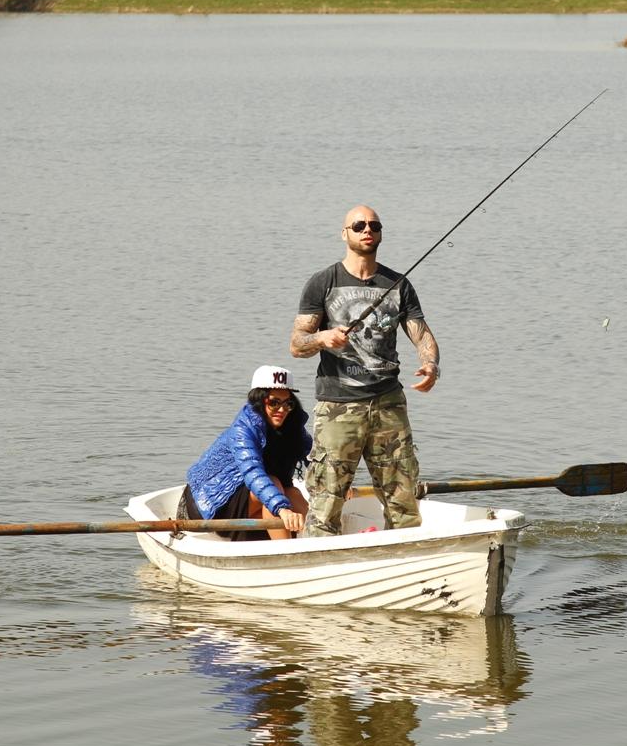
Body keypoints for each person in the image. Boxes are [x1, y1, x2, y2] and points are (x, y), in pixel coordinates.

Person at [290, 205, 439, 537]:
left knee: (403, 504)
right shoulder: (323, 282)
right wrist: (323, 337)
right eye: (358, 225)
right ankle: (320, 569)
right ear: (345, 234)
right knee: (326, 503)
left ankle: (405, 567)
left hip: (388, 405)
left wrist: (430, 364)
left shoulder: (398, 284)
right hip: (338, 407)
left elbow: (421, 333)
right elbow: (297, 344)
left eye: (374, 225)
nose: (367, 229)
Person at [183, 366, 311, 540]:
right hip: (210, 504)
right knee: (274, 484)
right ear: (258, 400)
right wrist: (282, 509)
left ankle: (318, 545)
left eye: (288, 403)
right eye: (274, 403)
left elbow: (315, 456)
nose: (282, 410)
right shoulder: (242, 430)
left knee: (294, 494)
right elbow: (253, 473)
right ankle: (287, 555)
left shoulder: (292, 426)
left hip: (259, 497)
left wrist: (335, 484)